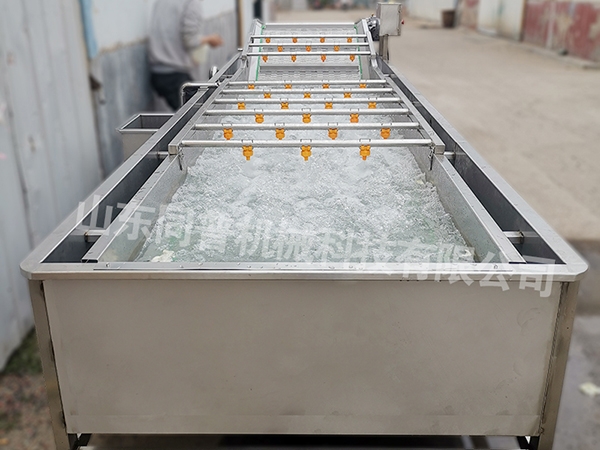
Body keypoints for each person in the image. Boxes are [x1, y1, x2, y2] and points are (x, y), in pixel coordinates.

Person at [149, 0, 223, 110]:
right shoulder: (191, 2)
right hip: (174, 75)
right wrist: (210, 39)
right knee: (199, 112)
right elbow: (190, 40)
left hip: (157, 72)